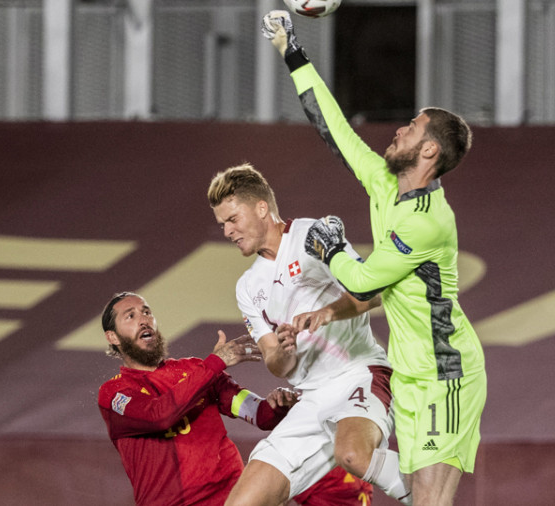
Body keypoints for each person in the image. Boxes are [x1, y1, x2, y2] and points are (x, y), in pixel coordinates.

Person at [262, 11, 487, 506]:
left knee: (428, 499)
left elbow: (364, 282)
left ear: (428, 151)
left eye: (411, 127)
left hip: (445, 372)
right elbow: (334, 128)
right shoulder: (386, 183)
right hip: (408, 371)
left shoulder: (428, 221)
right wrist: (293, 52)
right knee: (419, 496)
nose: (398, 130)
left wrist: (332, 245)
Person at [208, 164, 412, 506]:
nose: (227, 231)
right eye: (222, 224)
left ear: (261, 207)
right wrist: (286, 350)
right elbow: (275, 361)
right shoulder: (247, 287)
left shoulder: (310, 236)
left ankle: (432, 494)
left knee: (353, 455)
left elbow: (371, 291)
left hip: (359, 374)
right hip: (311, 399)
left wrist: (327, 312)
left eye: (232, 219)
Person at [97, 291, 298, 506]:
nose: (144, 320)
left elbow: (259, 416)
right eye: (131, 316)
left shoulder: (195, 369)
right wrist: (214, 364)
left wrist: (277, 406)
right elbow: (159, 416)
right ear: (113, 337)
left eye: (147, 312)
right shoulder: (114, 393)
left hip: (231, 499)